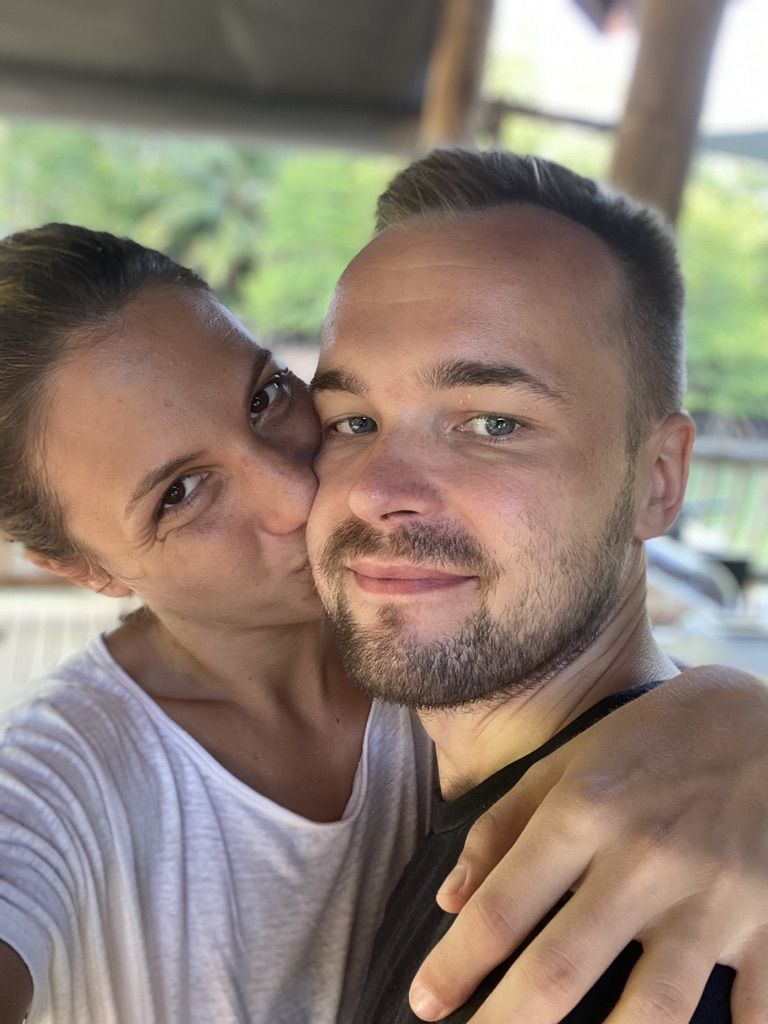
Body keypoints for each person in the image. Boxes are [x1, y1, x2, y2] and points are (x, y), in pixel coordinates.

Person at [0, 222, 764, 1024]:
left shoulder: (447, 634)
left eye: (265, 399)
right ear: (83, 569)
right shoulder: (52, 789)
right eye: (180, 494)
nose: (296, 493)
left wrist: (737, 721)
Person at [306, 148, 765, 1023]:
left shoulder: (674, 935)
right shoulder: (427, 791)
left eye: (493, 423)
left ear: (658, 479)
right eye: (352, 420)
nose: (377, 490)